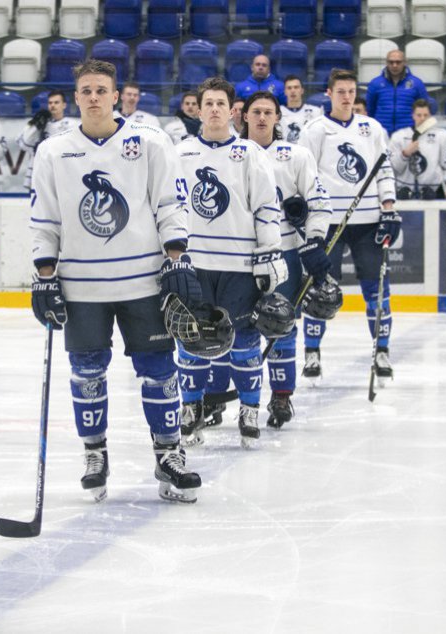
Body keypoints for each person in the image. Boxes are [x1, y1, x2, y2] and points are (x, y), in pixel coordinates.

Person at [28, 59, 203, 504]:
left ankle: (169, 453)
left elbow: (170, 204)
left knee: (159, 371)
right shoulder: (53, 151)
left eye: (101, 90)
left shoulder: (149, 141)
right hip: (81, 286)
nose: (93, 98)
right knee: (87, 373)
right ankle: (95, 454)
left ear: (115, 95)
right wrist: (44, 276)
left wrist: (177, 260)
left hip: (143, 283)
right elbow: (44, 218)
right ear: (75, 97)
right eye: (85, 90)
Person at [175, 77, 286, 447]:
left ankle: (250, 410)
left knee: (245, 342)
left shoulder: (250, 153)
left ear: (232, 110)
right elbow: (168, 207)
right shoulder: (181, 153)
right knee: (191, 339)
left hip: (240, 266)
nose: (214, 109)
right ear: (199, 110)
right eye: (208, 103)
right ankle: (191, 408)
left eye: (221, 103)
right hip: (194, 265)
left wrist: (268, 254)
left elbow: (267, 206)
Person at [241, 91, 333, 428]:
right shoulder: (231, 154)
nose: (262, 117)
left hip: (286, 253)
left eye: (268, 112)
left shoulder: (296, 155)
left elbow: (319, 202)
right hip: (240, 255)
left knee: (282, 325)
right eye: (256, 112)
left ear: (278, 118)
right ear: (244, 116)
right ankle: (224, 395)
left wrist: (314, 237)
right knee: (238, 327)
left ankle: (281, 396)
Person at [300, 69, 398, 383]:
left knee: (377, 290)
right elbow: (304, 174)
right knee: (321, 289)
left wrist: (388, 209)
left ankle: (381, 350)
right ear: (329, 94)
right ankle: (312, 351)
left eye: (351, 91)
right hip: (329, 222)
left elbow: (384, 171)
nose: (347, 97)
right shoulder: (315, 130)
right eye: (341, 91)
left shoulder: (372, 128)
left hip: (368, 222)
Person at [388, 99, 446, 200]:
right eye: (419, 115)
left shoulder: (442, 135)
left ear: (430, 116)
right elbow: (393, 168)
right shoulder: (399, 136)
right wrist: (405, 154)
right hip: (405, 192)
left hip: (433, 191)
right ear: (413, 115)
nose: (422, 118)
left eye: (426, 115)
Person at [17, 90, 79, 191]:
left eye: (56, 102)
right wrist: (36, 125)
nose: (53, 105)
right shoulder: (40, 124)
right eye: (50, 103)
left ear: (64, 105)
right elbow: (24, 144)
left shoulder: (73, 125)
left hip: (63, 172)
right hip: (40, 170)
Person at [365, 49, 430, 135]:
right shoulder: (375, 83)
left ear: (405, 62)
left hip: (408, 134)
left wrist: (418, 134)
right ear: (386, 63)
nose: (394, 65)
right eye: (391, 62)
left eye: (398, 62)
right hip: (381, 133)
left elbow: (425, 110)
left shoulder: (417, 83)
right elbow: (370, 110)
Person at [280, 75, 322, 143]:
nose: (293, 91)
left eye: (296, 87)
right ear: (285, 91)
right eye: (289, 88)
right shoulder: (277, 112)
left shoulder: (316, 111)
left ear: (302, 90)